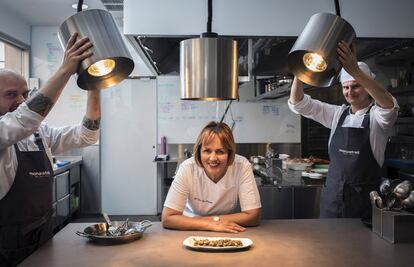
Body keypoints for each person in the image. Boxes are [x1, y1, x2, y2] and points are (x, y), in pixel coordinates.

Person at [0, 32, 100, 266]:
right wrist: (66, 68)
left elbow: (86, 135)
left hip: (43, 232)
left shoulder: (38, 133)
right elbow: (23, 120)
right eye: (11, 94)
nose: (22, 100)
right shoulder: (6, 130)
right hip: (6, 244)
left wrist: (93, 87)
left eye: (25, 93)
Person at [288, 41, 399, 219]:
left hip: (364, 202)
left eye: (355, 86)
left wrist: (355, 70)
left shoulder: (378, 118)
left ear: (368, 87)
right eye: (346, 87)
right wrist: (300, 73)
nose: (349, 91)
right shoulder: (337, 114)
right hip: (332, 198)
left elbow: (389, 105)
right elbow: (299, 104)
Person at [162, 121, 261, 233]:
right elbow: (167, 218)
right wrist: (210, 224)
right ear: (199, 151)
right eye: (207, 151)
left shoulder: (242, 166)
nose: (213, 158)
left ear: (230, 153)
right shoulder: (187, 168)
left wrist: (213, 221)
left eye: (220, 152)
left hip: (226, 229)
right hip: (190, 229)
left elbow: (253, 216)